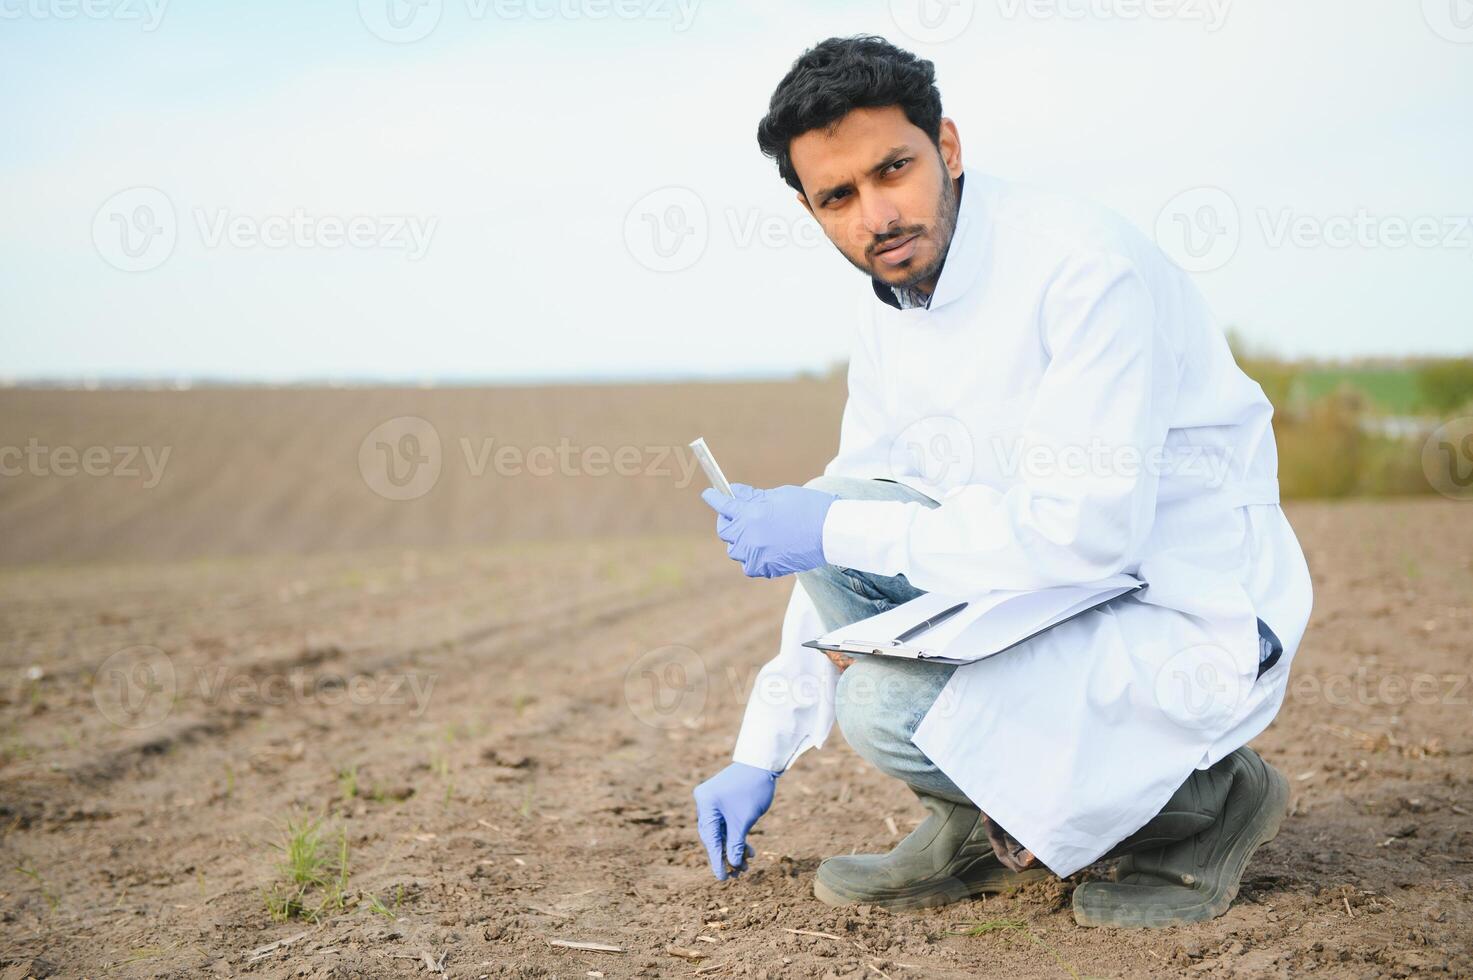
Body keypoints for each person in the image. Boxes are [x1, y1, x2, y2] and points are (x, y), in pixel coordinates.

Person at [691, 35, 1313, 928]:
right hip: (1046, 589)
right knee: (839, 512)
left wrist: (831, 531)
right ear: (810, 209)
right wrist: (763, 744)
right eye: (839, 196)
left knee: (885, 705)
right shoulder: (891, 307)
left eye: (892, 169)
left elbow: (1084, 533)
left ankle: (1209, 805)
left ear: (946, 147)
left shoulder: (1083, 269)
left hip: (1177, 603)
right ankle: (975, 825)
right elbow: (848, 522)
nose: (877, 214)